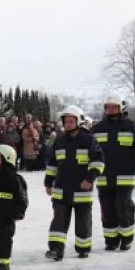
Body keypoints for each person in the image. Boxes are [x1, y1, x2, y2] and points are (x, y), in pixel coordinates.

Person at [90, 93, 135, 251]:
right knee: (107, 210)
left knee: (123, 207)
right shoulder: (97, 129)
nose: (110, 110)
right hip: (104, 178)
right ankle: (111, 240)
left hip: (125, 177)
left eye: (113, 107)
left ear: (120, 108)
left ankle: (126, 238)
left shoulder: (131, 127)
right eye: (107, 107)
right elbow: (87, 152)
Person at [44, 105, 105, 261]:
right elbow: (52, 164)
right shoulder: (59, 141)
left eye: (71, 121)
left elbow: (98, 161)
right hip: (61, 189)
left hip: (81, 190)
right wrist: (48, 182)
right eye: (66, 121)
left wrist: (89, 179)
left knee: (83, 222)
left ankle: (83, 248)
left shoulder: (89, 140)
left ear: (78, 122)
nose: (68, 124)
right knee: (58, 221)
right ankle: (56, 250)